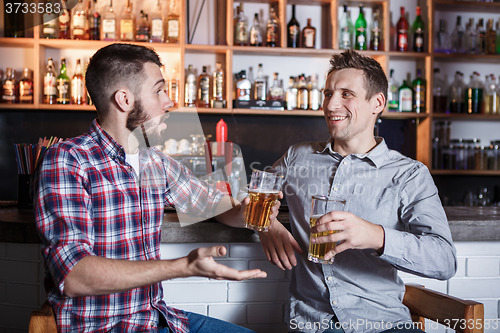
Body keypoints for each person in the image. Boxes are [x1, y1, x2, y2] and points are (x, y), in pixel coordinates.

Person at [34, 43, 273, 333]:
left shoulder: (155, 162)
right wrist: (183, 266)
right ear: (124, 99)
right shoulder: (68, 160)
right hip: (105, 328)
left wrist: (249, 211)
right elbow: (74, 276)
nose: (169, 102)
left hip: (159, 319)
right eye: (159, 90)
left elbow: (216, 205)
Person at [259, 49, 457, 333]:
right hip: (313, 325)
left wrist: (375, 235)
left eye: (346, 94)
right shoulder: (298, 158)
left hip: (384, 325)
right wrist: (267, 224)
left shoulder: (409, 174)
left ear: (377, 103)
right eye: (328, 94)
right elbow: (251, 195)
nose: (331, 105)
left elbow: (444, 260)